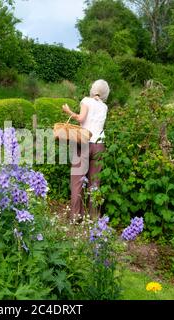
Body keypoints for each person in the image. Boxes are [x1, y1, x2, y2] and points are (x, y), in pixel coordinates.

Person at [62, 79, 109, 222]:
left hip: (84, 143)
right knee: (95, 183)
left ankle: (76, 217)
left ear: (93, 89)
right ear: (105, 92)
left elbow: (81, 118)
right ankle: (94, 217)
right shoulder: (104, 107)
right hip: (99, 145)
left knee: (77, 181)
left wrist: (68, 111)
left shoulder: (86, 101)